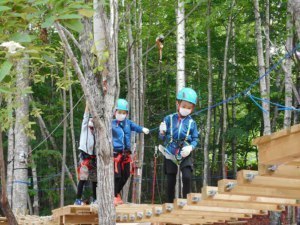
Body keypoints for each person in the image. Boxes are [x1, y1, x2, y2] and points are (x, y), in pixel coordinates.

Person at [159, 87, 199, 203]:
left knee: (187, 176)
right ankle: (170, 204)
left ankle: (186, 202)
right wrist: (162, 132)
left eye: (189, 108)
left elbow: (195, 139)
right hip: (170, 151)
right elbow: (161, 137)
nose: (186, 109)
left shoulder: (192, 123)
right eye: (184, 106)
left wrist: (190, 147)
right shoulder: (169, 119)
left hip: (185, 152)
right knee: (171, 180)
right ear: (178, 103)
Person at [112, 99, 150, 205]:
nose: (121, 115)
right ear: (115, 112)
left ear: (126, 114)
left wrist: (142, 129)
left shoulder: (128, 123)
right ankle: (113, 195)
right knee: (117, 175)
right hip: (116, 154)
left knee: (126, 175)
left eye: (123, 113)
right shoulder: (111, 124)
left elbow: (136, 127)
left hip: (126, 154)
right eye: (119, 112)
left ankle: (116, 193)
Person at [74, 102, 97, 205]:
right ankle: (78, 199)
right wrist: (88, 102)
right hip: (84, 156)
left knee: (94, 180)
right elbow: (86, 115)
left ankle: (95, 199)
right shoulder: (85, 127)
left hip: (93, 157)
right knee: (83, 179)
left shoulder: (96, 132)